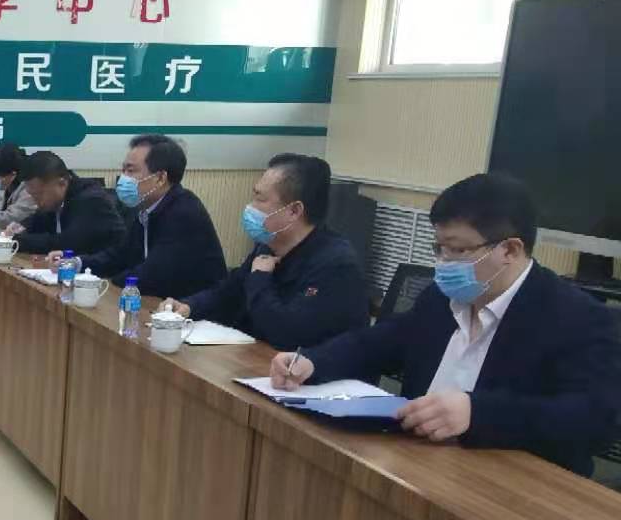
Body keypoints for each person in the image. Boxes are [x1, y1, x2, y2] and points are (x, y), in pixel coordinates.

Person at [270, 173, 621, 475]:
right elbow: (377, 342)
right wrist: (312, 361)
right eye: (438, 248)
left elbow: (594, 421)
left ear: (510, 250)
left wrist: (477, 413)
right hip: (418, 466)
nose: (443, 263)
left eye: (457, 250)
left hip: (513, 487)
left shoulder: (577, 318)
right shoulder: (440, 299)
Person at [163, 154, 368, 350]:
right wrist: (189, 306)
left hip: (306, 370)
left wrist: (260, 278)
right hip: (256, 359)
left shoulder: (336, 265)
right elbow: (229, 292)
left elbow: (286, 334)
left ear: (294, 211)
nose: (250, 207)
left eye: (260, 199)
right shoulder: (269, 244)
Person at [47, 134, 225, 295]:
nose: (123, 178)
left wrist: (106, 282)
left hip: (193, 312)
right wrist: (76, 263)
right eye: (123, 170)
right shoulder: (144, 209)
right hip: (158, 303)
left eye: (131, 171)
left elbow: (151, 276)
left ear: (160, 178)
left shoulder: (184, 212)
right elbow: (118, 256)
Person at [7, 150, 126, 257]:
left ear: (62, 183)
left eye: (39, 194)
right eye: (32, 195)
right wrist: (21, 227)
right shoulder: (56, 201)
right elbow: (37, 222)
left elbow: (67, 243)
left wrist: (17, 241)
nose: (36, 201)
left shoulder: (91, 200)